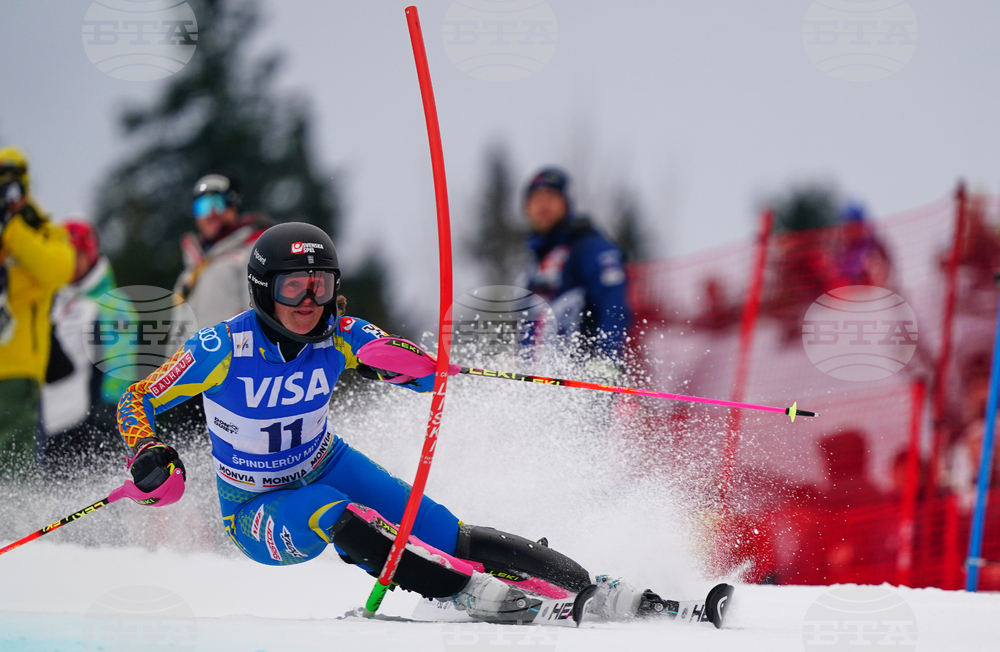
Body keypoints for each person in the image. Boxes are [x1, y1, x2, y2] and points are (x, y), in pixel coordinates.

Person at [115, 222, 669, 623]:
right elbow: (136, 398)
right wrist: (147, 452)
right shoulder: (222, 347)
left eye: (321, 284)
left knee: (445, 531)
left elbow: (405, 362)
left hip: (326, 462)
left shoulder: (337, 331)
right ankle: (459, 592)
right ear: (263, 290)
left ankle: (589, 586)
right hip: (256, 506)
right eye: (293, 287)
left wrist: (408, 366)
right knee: (336, 514)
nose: (310, 300)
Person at [0, 146, 75, 478]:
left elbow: (58, 269)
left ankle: (17, 529)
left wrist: (13, 229)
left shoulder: (37, 228)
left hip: (18, 369)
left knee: (15, 467)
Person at [42, 218, 134, 472]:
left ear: (90, 253)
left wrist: (108, 409)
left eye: (78, 254)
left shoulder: (112, 303)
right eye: (65, 255)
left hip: (95, 419)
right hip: (56, 420)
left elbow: (121, 360)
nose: (71, 262)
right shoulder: (57, 303)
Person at [520, 168, 630, 367]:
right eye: (536, 200)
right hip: (541, 379)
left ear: (566, 203)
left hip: (583, 375)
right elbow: (529, 321)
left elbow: (613, 304)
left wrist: (607, 360)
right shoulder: (534, 263)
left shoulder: (590, 247)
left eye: (550, 198)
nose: (543, 207)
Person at [174, 173, 268, 331]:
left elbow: (260, 317)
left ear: (233, 205)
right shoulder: (190, 273)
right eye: (202, 207)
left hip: (235, 353)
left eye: (216, 204)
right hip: (193, 355)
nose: (211, 214)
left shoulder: (253, 252)